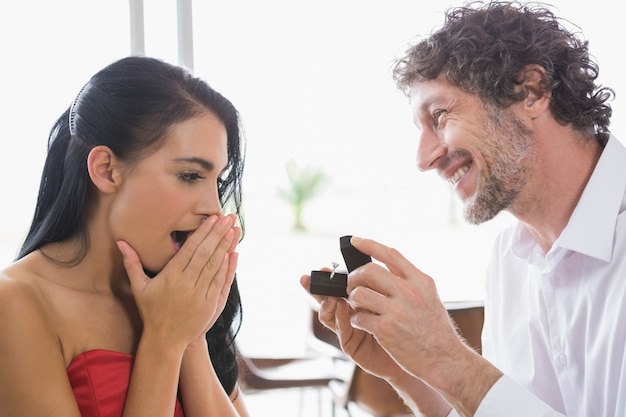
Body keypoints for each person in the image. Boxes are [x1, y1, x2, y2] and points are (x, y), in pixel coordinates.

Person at [301, 1, 625, 416]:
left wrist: (448, 360)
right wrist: (409, 370)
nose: (423, 158)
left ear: (530, 91)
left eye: (439, 115)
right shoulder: (511, 259)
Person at [0, 56, 250, 417]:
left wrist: (192, 337)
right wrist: (164, 341)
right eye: (191, 176)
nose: (214, 208)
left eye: (219, 182)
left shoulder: (182, 297)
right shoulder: (16, 303)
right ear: (106, 170)